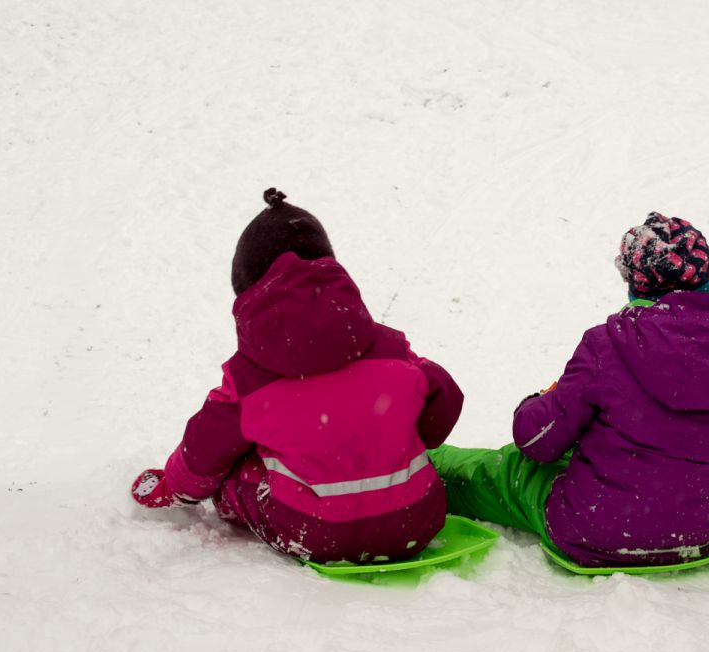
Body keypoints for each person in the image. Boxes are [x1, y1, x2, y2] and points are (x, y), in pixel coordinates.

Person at [431, 212, 709, 568]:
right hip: (696, 536)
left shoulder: (609, 344)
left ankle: (427, 473)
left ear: (638, 285)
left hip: (593, 530)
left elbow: (536, 441)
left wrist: (534, 404)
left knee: (513, 472)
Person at [131, 188, 464, 563]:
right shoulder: (392, 351)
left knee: (236, 477)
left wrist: (176, 487)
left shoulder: (249, 379)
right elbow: (445, 398)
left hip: (317, 532)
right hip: (415, 520)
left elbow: (205, 448)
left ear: (247, 290)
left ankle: (244, 496)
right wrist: (392, 428)